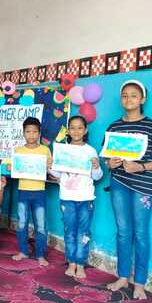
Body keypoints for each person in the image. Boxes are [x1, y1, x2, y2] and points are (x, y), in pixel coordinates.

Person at [105, 80, 152, 299]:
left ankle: (139, 283)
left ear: (143, 99)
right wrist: (109, 163)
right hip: (118, 184)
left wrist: (140, 167)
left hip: (142, 186)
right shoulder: (114, 127)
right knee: (123, 231)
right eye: (124, 95)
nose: (128, 99)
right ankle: (123, 277)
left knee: (140, 233)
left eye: (133, 95)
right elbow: (107, 157)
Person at [49, 116, 103, 278]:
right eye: (72, 128)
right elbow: (57, 174)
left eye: (80, 128)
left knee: (83, 232)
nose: (76, 131)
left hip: (86, 198)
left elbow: (98, 176)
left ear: (85, 130)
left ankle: (80, 264)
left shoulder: (90, 151)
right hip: (67, 197)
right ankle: (71, 262)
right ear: (68, 131)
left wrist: (96, 167)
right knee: (69, 231)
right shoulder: (62, 150)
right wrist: (49, 166)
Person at [11, 116, 52, 266]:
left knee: (40, 224)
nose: (31, 135)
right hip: (23, 191)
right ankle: (23, 251)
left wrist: (50, 166)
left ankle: (40, 254)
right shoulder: (18, 150)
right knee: (22, 223)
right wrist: (11, 168)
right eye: (28, 131)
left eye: (34, 132)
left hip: (39, 191)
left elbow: (51, 171)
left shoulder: (45, 150)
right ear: (23, 133)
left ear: (39, 133)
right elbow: (14, 169)